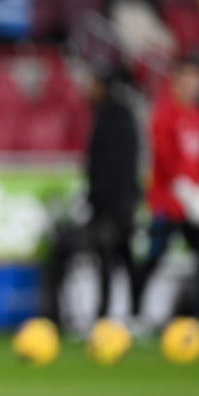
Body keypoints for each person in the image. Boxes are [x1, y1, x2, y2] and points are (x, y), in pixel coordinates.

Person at [133, 57, 199, 319]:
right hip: (165, 204)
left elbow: (197, 161)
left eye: (197, 81)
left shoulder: (198, 117)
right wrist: (183, 188)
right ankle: (135, 315)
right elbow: (164, 157)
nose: (192, 86)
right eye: (187, 80)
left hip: (191, 207)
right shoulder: (164, 113)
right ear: (176, 81)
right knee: (152, 258)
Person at [85, 68, 140, 318]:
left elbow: (113, 166)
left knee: (113, 258)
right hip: (119, 202)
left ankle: (109, 312)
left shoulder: (113, 118)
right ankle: (133, 311)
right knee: (122, 259)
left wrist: (102, 200)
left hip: (114, 204)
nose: (91, 90)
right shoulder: (116, 115)